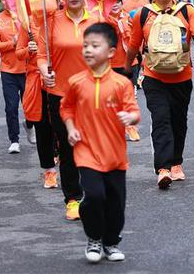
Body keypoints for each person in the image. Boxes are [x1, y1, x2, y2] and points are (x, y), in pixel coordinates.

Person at [60, 23, 140, 263]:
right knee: (94, 195)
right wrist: (71, 128)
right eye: (85, 45)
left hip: (115, 155)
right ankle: (94, 237)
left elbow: (134, 110)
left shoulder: (121, 83)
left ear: (111, 52)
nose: (88, 50)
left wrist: (130, 117)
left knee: (116, 204)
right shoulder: (75, 82)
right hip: (87, 151)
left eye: (95, 45)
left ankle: (111, 242)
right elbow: (66, 107)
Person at [125, 0, 194, 189]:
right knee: (161, 119)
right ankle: (163, 168)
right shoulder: (143, 14)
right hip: (154, 77)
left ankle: (176, 163)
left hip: (182, 77)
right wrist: (127, 71)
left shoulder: (186, 10)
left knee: (178, 121)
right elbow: (133, 46)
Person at [37, 0, 101, 220]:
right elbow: (42, 55)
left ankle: (93, 193)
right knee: (68, 147)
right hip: (60, 94)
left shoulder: (96, 20)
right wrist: (45, 73)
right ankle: (73, 199)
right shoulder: (51, 20)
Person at [15, 19, 60, 189]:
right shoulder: (27, 26)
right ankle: (49, 170)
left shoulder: (62, 20)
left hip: (60, 80)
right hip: (36, 82)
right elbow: (18, 53)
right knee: (42, 128)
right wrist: (28, 50)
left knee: (63, 125)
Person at [0, 0, 35, 153]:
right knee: (11, 107)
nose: (6, 1)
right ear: (0, 0)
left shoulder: (26, 18)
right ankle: (14, 140)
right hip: (8, 71)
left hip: (28, 70)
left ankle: (29, 125)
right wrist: (12, 43)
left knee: (29, 106)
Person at [109, 0, 141, 141]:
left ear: (122, 4)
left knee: (130, 97)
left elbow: (139, 38)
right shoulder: (104, 19)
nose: (115, 4)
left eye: (118, 1)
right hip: (111, 65)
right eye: (112, 1)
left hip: (130, 64)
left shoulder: (130, 18)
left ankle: (131, 128)